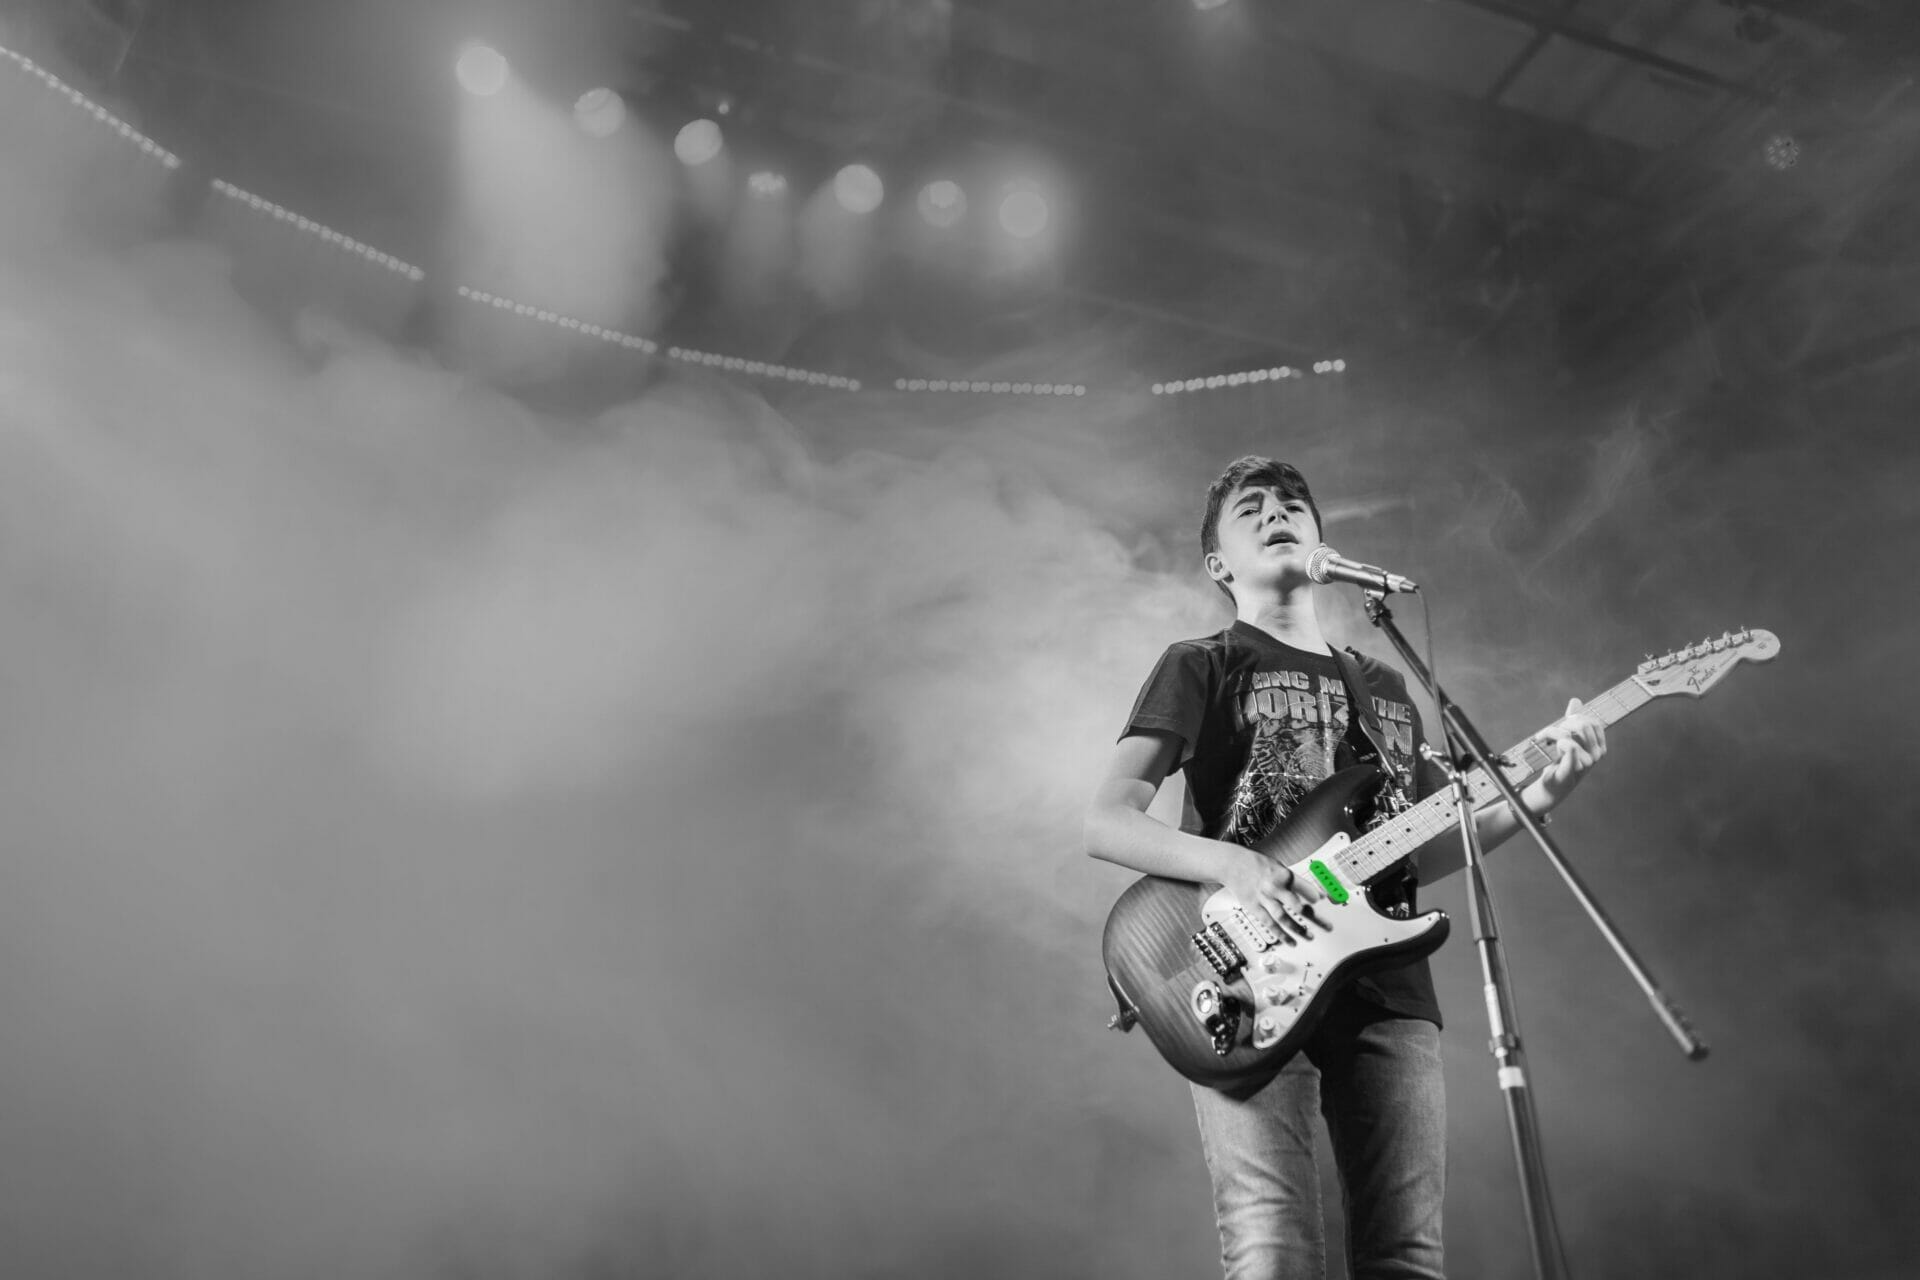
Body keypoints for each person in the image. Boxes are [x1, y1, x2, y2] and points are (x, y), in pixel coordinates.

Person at [1083, 456, 1607, 1280]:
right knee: (1273, 1247)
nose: (1276, 512)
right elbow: (1105, 817)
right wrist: (1240, 867)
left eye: (1293, 502)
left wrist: (1541, 795)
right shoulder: (1203, 663)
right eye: (1251, 509)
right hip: (1240, 974)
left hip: (1385, 982)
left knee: (1407, 1255)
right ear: (1219, 565)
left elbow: (1429, 843)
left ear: (1322, 537)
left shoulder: (1386, 684)